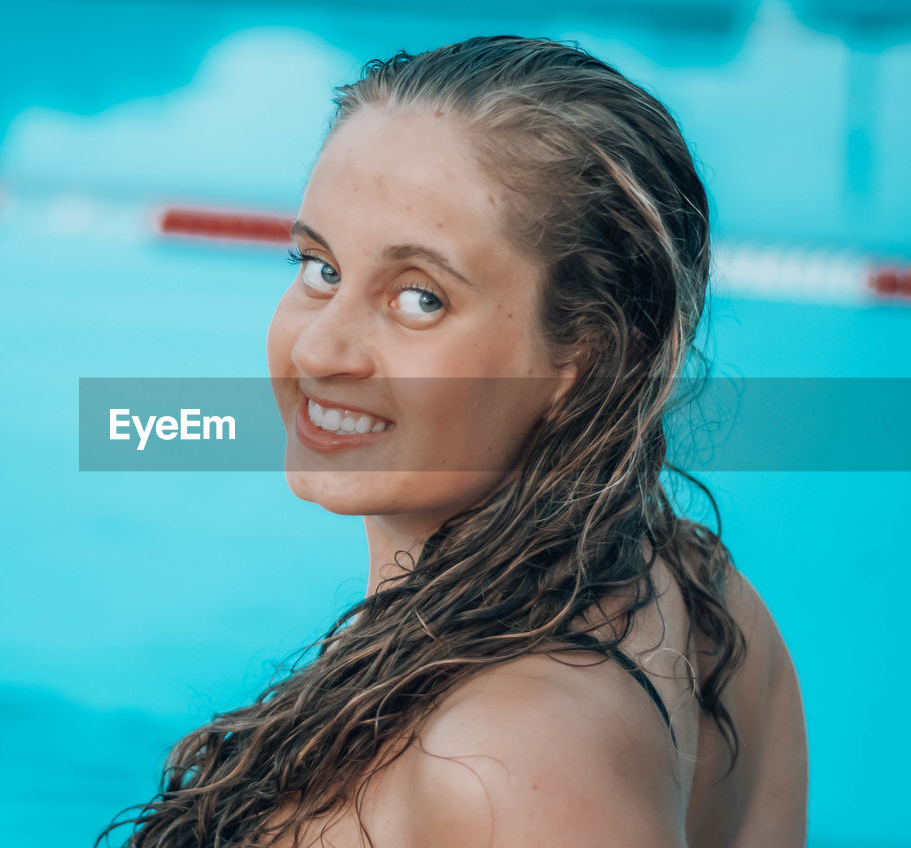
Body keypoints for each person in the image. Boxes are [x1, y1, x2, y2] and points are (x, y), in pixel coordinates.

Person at [98, 35, 808, 847]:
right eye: (320, 267)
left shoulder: (500, 760)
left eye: (420, 298)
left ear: (586, 352)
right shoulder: (705, 597)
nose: (320, 350)